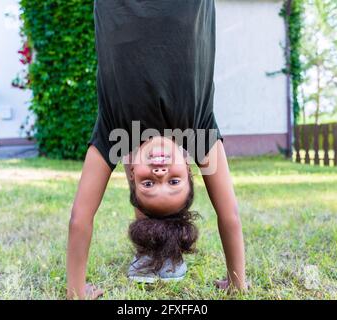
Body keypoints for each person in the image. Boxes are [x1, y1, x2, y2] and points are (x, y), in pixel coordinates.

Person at [66, 0, 246, 299]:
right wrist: (237, 282)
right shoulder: (198, 134)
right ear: (191, 172)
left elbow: (80, 218)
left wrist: (75, 291)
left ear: (133, 175)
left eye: (150, 183)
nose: (160, 172)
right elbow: (230, 216)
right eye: (173, 182)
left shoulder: (116, 134)